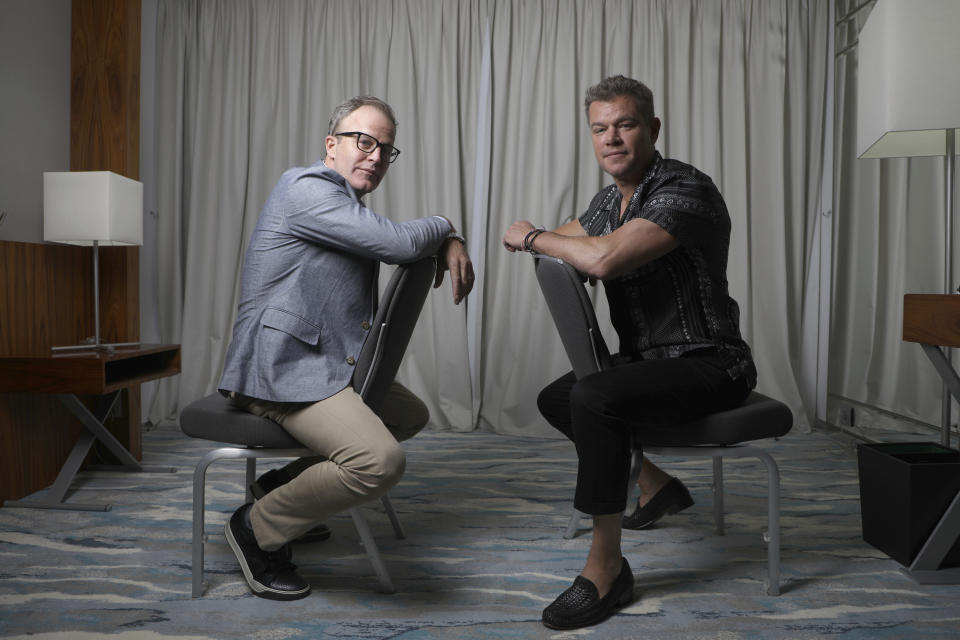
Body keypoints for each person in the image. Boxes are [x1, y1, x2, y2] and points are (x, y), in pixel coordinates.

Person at [503, 75, 756, 630]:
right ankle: (655, 485)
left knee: (592, 396)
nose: (612, 138)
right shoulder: (608, 201)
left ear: (652, 129)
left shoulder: (684, 190)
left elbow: (601, 259)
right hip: (650, 364)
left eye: (625, 125)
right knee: (558, 397)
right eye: (600, 128)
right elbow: (573, 244)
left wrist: (530, 235)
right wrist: (535, 238)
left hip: (711, 361)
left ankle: (605, 568)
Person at [218, 95, 474, 600]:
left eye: (386, 148)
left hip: (324, 365)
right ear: (331, 144)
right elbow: (401, 244)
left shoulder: (343, 205)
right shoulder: (306, 188)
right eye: (365, 141)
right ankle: (257, 527)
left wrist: (446, 240)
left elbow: (397, 243)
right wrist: (446, 227)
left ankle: (278, 490)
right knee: (380, 460)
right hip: (278, 369)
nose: (376, 156)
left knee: (408, 415)